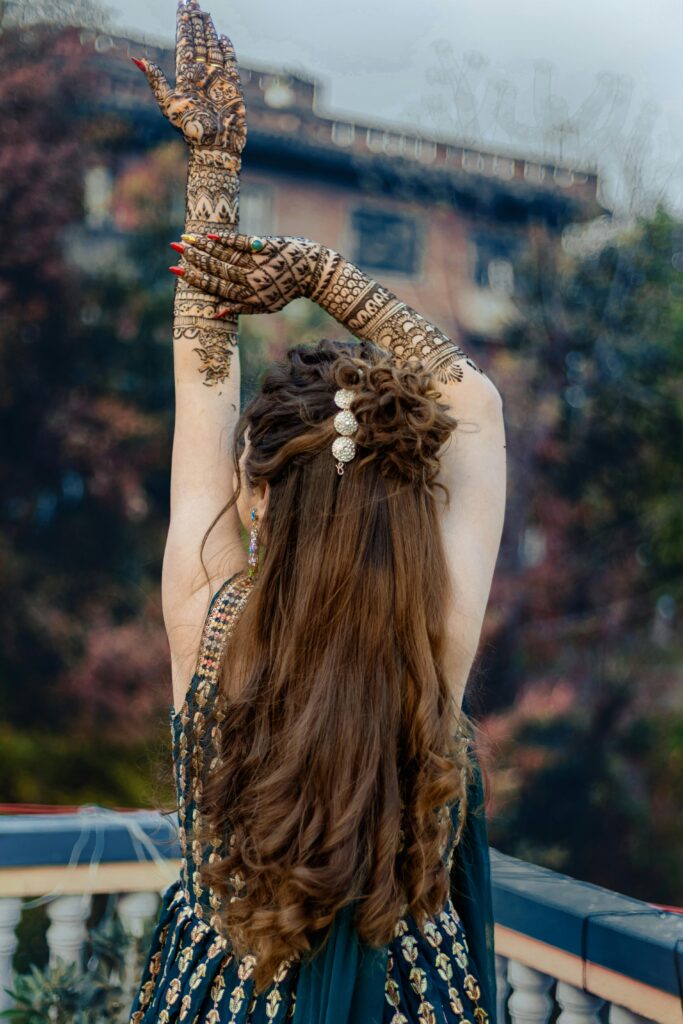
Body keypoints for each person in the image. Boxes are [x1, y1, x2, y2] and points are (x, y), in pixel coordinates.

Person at [129, 2, 506, 1022]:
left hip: (224, 996)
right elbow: (474, 404)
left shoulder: (203, 621)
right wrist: (321, 275)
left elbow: (200, 382)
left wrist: (212, 167)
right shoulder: (431, 641)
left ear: (257, 495)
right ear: (399, 497)